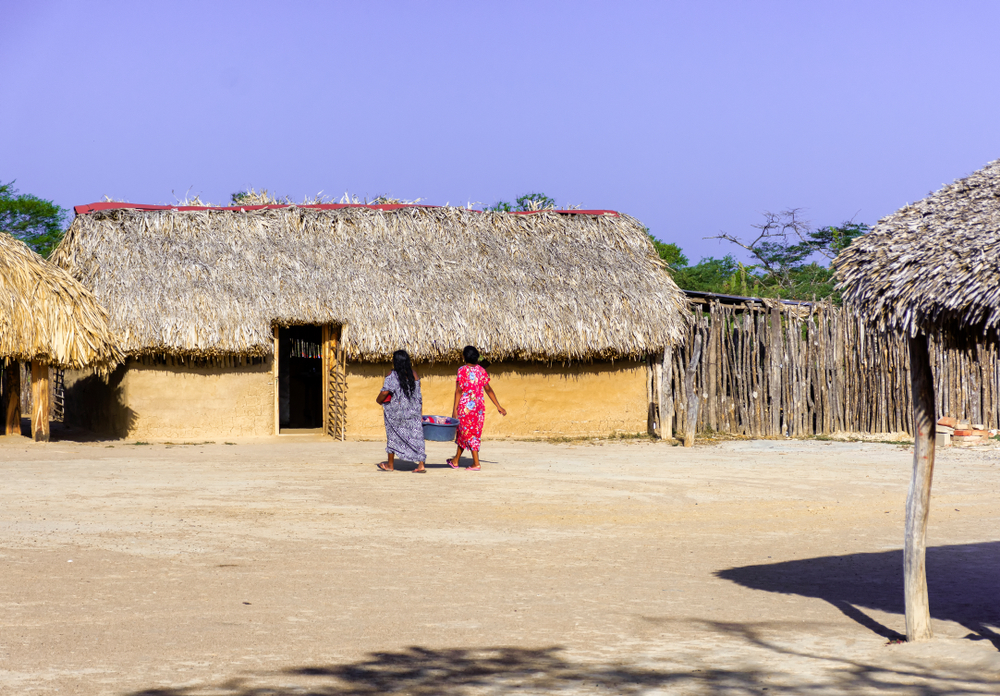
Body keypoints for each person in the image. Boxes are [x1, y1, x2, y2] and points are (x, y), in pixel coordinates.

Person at [448, 345, 506, 471]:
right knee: (467, 433)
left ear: (464, 357)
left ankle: (476, 463)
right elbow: (488, 389)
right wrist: (498, 406)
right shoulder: (481, 371)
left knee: (467, 433)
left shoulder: (462, 370)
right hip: (479, 409)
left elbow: (458, 390)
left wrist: (454, 410)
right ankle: (456, 460)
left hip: (465, 408)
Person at [376, 350, 426, 473]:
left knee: (393, 435)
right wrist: (420, 413)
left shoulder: (392, 375)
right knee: (417, 436)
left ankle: (390, 465)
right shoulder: (414, 374)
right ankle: (421, 465)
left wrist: (378, 400)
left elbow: (384, 392)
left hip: (396, 413)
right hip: (413, 411)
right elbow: (419, 397)